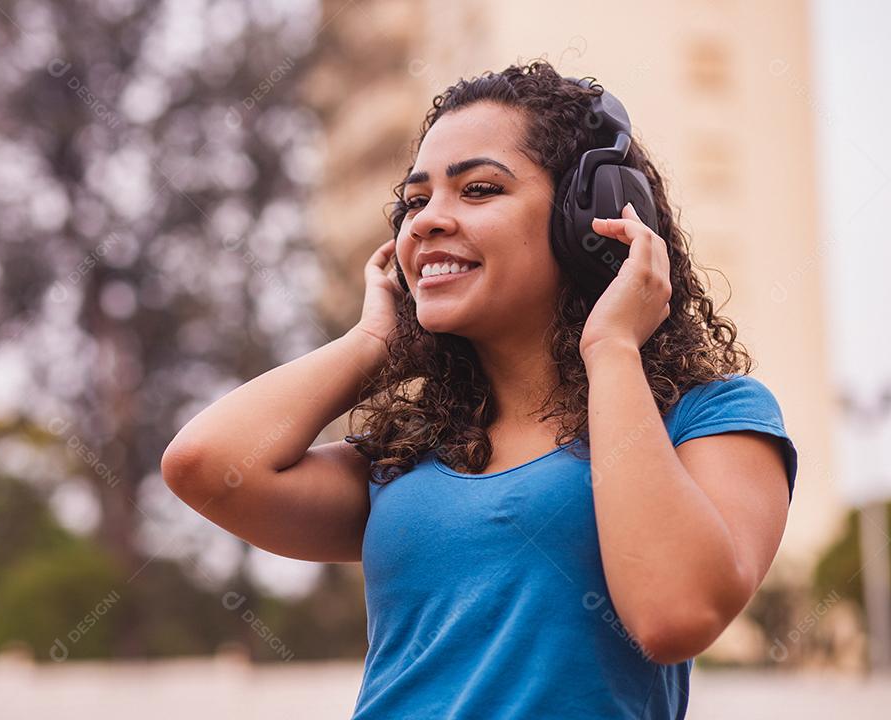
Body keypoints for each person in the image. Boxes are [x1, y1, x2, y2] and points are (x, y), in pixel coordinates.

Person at [161, 58, 798, 719]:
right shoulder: (410, 453)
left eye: (479, 190)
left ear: (591, 218)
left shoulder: (710, 416)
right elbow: (206, 466)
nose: (427, 221)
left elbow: (674, 614)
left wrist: (611, 348)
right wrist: (375, 343)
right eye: (415, 201)